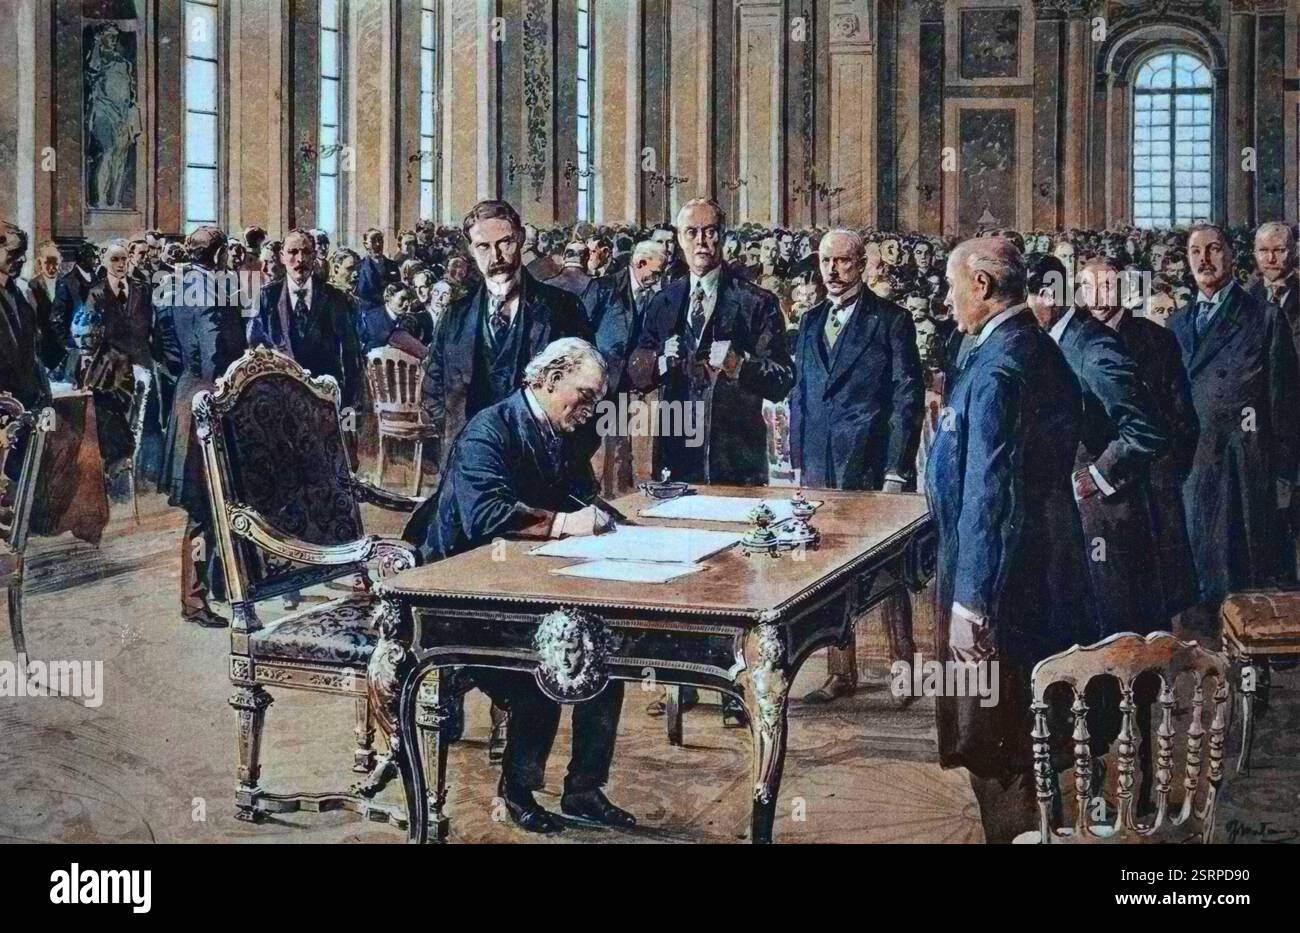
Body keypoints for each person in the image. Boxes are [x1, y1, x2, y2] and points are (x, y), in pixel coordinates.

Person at [404, 338, 633, 834]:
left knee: (605, 660)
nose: (592, 408)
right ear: (550, 381)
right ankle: (517, 792)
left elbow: (579, 494)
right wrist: (567, 526)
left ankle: (584, 789)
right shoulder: (489, 429)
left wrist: (613, 522)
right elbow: (487, 515)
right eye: (586, 394)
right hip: (455, 591)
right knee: (548, 664)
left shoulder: (563, 431)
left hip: (520, 582)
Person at [925, 237, 1091, 843]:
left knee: (997, 745)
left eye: (951, 287)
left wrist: (971, 602)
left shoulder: (998, 364)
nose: (946, 300)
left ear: (983, 287)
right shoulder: (1038, 348)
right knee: (1030, 734)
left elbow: (987, 496)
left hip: (1000, 582)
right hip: (1043, 569)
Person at [789, 229, 924, 703]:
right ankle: (840, 673)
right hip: (819, 469)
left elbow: (907, 400)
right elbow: (802, 396)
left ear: (863, 265)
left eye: (843, 262)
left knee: (888, 572)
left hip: (870, 466)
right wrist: (798, 465)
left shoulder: (892, 321)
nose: (832, 270)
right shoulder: (808, 322)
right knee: (830, 576)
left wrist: (896, 472)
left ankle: (903, 670)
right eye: (826, 261)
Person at [1026, 254, 1169, 636]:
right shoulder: (1053, 341)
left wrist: (1098, 474)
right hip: (1069, 507)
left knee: (1114, 626)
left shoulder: (1093, 347)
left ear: (1050, 296)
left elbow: (1146, 428)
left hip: (1104, 509)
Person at [1170, 223, 1300, 619]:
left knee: (1242, 587)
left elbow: (1285, 406)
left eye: (1214, 249)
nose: (1205, 259)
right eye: (1196, 252)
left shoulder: (1263, 317)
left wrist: (1283, 475)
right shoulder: (1177, 323)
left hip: (1244, 469)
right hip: (1193, 466)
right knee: (1198, 590)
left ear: (1232, 256)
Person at [418, 199, 594, 474]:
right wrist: (462, 437)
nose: (496, 256)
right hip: (469, 470)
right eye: (483, 247)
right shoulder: (454, 316)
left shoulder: (562, 309)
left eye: (505, 242)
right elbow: (432, 390)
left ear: (521, 239)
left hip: (542, 473)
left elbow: (589, 395)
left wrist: (560, 458)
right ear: (470, 250)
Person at [630, 198, 794, 486]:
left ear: (724, 235)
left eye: (710, 231)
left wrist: (740, 365)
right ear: (680, 239)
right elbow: (637, 373)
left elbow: (783, 378)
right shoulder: (663, 301)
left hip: (736, 461)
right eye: (691, 233)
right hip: (677, 455)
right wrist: (660, 363)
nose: (701, 242)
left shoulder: (757, 302)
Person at [154, 226, 247, 628]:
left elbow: (165, 344)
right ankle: (194, 600)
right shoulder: (211, 288)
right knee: (205, 504)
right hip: (209, 402)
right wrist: (226, 384)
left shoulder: (176, 284)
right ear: (219, 253)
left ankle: (211, 588)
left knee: (206, 504)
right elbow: (213, 347)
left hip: (187, 394)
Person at [581, 239, 668, 494]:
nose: (659, 278)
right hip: (600, 382)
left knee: (622, 453)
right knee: (597, 453)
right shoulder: (603, 288)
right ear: (640, 263)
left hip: (634, 385)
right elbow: (579, 329)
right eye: (656, 272)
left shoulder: (653, 296)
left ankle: (620, 500)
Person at [251, 229, 362, 409]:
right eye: (293, 252)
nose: (300, 259)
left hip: (324, 402)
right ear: (281, 257)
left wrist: (348, 405)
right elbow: (255, 347)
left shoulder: (335, 298)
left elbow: (351, 355)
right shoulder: (267, 297)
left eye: (306, 252)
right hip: (280, 401)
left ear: (314, 256)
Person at [0, 223, 51, 413]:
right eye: (13, 252)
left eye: (23, 252)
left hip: (25, 402)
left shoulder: (22, 293)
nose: (21, 259)